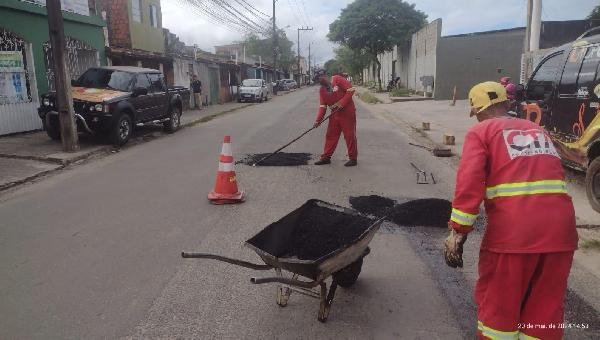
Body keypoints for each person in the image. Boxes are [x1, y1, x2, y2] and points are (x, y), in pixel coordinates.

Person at [444, 81, 578, 340]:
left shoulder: (481, 132)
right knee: (545, 310)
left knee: (500, 310)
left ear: (479, 110)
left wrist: (457, 232)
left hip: (514, 235)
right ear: (506, 103)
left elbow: (469, 184)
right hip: (561, 233)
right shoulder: (537, 129)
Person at [313, 70, 358, 167]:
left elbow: (351, 89)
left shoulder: (337, 79)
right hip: (334, 115)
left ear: (325, 75)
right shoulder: (322, 90)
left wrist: (341, 103)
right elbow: (322, 107)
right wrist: (318, 120)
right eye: (318, 79)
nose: (320, 81)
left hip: (347, 113)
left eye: (320, 78)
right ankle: (326, 157)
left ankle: (353, 158)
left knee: (349, 135)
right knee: (330, 135)